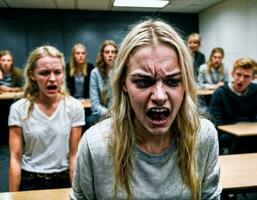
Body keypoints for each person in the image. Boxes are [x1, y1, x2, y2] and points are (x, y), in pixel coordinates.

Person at [71, 20, 221, 200]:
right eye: (143, 82)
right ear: (123, 84)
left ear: (186, 85)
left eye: (173, 81)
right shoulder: (95, 144)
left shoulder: (203, 136)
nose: (159, 96)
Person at [8, 45, 85, 191]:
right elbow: (15, 158)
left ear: (63, 73)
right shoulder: (18, 109)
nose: (52, 79)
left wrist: (76, 192)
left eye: (57, 72)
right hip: (30, 180)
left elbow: (74, 155)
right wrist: (13, 196)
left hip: (63, 179)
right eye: (44, 73)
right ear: (32, 75)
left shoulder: (74, 107)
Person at [209, 57, 257, 126]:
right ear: (232, 74)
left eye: (246, 76)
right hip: (227, 133)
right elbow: (216, 121)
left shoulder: (255, 90)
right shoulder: (220, 93)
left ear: (253, 78)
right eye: (238, 75)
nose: (241, 79)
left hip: (251, 132)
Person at [87, 40, 118, 127]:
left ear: (117, 54)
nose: (110, 55)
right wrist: (109, 113)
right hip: (101, 113)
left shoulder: (121, 71)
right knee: (90, 120)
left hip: (118, 111)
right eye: (107, 52)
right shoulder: (95, 73)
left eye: (113, 52)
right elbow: (95, 103)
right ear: (102, 55)